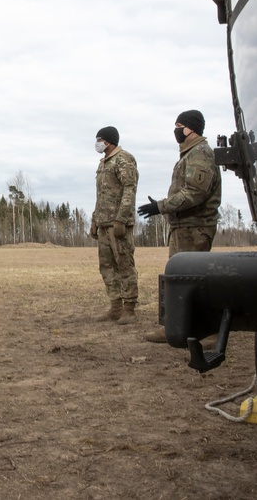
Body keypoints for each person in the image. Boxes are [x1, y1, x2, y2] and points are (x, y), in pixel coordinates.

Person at [138, 110, 221, 343]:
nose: (176, 130)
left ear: (190, 129)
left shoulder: (200, 154)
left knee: (194, 280)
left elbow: (196, 192)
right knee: (179, 279)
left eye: (179, 125)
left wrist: (161, 206)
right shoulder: (189, 154)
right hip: (183, 227)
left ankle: (210, 332)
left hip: (195, 228)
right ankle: (176, 328)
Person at [89, 126, 139, 325]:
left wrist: (121, 219)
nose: (97, 143)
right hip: (103, 223)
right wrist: (95, 220)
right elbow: (101, 195)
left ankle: (130, 309)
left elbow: (129, 189)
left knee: (124, 264)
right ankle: (115, 307)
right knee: (107, 266)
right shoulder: (103, 164)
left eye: (100, 139)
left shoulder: (123, 159)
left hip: (118, 224)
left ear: (108, 141)